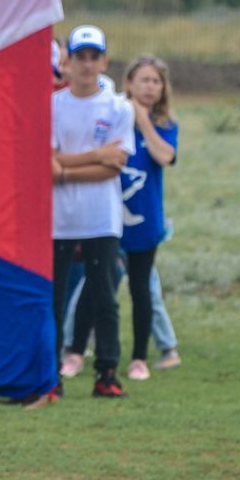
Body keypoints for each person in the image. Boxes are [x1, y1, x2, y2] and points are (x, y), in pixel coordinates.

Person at [67, 55, 179, 382]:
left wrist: (142, 120)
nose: (149, 87)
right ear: (128, 83)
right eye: (143, 80)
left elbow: (164, 155)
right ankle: (74, 352)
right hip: (105, 220)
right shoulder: (112, 117)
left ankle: (140, 359)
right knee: (96, 286)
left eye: (156, 81)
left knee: (142, 290)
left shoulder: (165, 125)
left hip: (144, 224)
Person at [51, 25, 135, 399]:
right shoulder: (53, 105)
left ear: (104, 61)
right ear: (67, 62)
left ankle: (106, 372)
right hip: (60, 220)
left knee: (105, 295)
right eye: (79, 57)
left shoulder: (119, 107)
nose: (87, 65)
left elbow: (113, 166)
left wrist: (67, 169)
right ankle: (50, 372)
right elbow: (47, 165)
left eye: (93, 57)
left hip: (102, 216)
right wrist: (94, 155)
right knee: (53, 298)